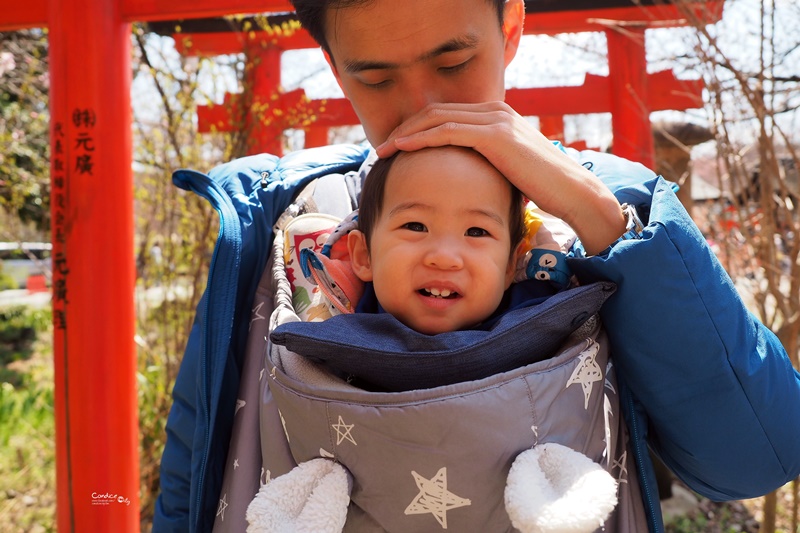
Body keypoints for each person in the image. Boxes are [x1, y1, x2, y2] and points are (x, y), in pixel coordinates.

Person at [153, 0, 800, 531]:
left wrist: (608, 224)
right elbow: (194, 473)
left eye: (455, 61)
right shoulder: (281, 218)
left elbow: (754, 458)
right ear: (335, 67)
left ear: (511, 26)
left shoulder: (607, 213)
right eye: (376, 78)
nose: (425, 107)